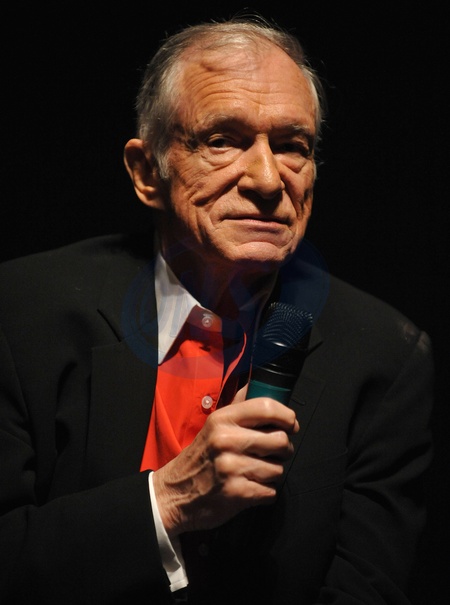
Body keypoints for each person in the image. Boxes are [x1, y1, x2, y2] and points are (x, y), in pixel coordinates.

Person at [0, 15, 433, 605]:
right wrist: (169, 500)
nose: (267, 180)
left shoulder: (386, 355)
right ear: (147, 172)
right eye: (222, 140)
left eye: (293, 147)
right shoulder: (21, 313)